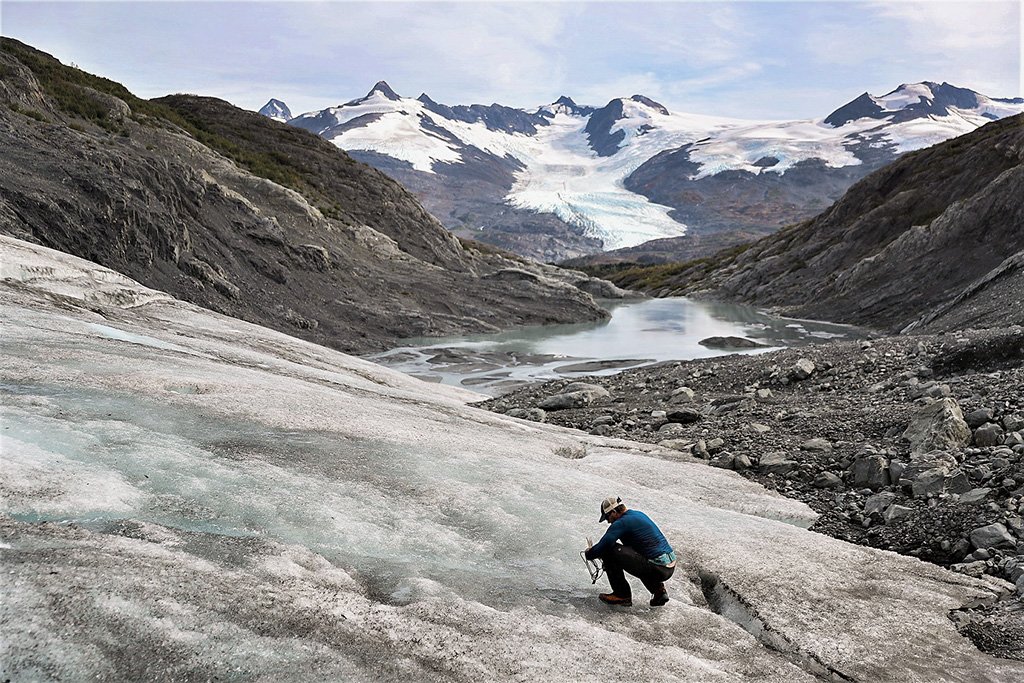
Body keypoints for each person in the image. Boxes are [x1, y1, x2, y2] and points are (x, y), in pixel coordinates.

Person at [584, 496, 676, 607]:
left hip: (657, 568)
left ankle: (621, 595)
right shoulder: (637, 514)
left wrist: (589, 553)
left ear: (613, 511)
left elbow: (605, 544)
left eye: (607, 517)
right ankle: (659, 592)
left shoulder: (622, 522)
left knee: (609, 550)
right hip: (668, 566)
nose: (608, 521)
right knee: (639, 557)